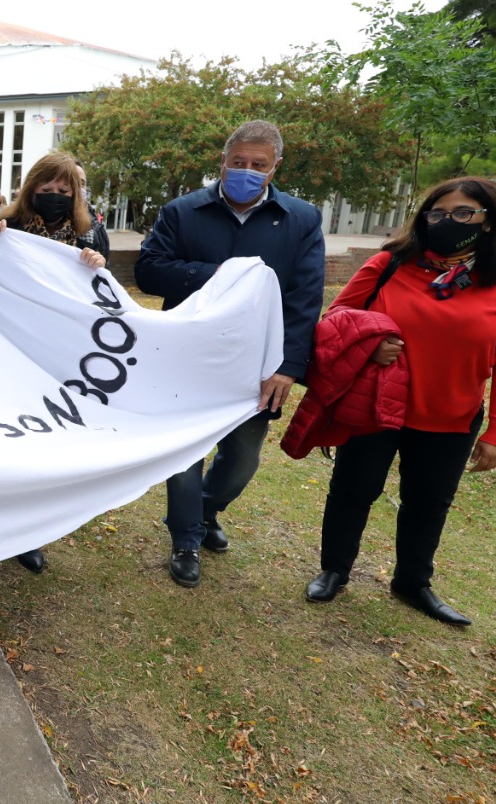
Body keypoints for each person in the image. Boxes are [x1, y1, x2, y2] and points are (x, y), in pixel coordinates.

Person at [303, 177, 496, 625]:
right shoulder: (390, 264)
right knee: (353, 491)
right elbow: (334, 321)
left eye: (464, 213)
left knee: (428, 503)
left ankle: (412, 583)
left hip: (452, 415)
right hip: (375, 407)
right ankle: (334, 569)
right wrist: (368, 345)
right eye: (438, 213)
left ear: (489, 221)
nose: (449, 221)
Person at [134, 120, 324, 589]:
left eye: (258, 165)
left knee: (242, 458)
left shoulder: (301, 219)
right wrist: (220, 275)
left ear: (276, 166)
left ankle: (207, 508)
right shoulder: (183, 211)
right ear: (223, 161)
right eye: (238, 162)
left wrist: (289, 366)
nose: (246, 171)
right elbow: (149, 271)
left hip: (256, 363)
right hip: (187, 357)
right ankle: (185, 538)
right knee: (186, 452)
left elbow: (305, 296)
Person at [0, 151, 107, 574]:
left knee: (44, 442)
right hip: (9, 350)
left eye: (63, 190)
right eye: (46, 188)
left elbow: (106, 297)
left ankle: (28, 534)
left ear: (74, 194)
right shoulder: (9, 225)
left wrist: (98, 266)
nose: (54, 195)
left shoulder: (90, 234)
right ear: (31, 188)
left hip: (61, 357)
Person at [74, 160, 110, 262]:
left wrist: (100, 265)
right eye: (73, 182)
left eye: (82, 183)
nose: (79, 188)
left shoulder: (97, 231)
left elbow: (105, 272)